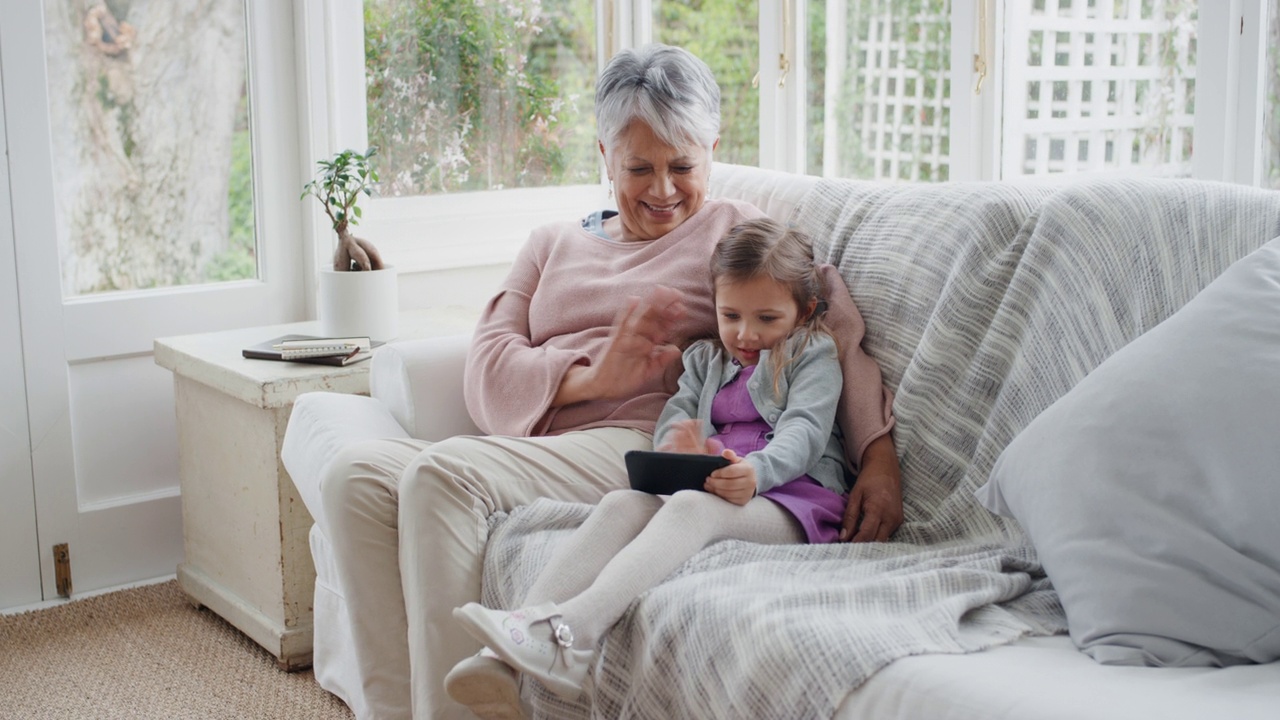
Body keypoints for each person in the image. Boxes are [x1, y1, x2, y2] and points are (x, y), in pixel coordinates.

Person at [320, 43, 902, 720]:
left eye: (683, 166)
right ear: (603, 156)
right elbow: (487, 367)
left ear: (713, 149)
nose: (663, 190)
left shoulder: (735, 232)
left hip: (639, 440)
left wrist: (878, 457)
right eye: (639, 168)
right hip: (546, 439)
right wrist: (589, 377)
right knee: (354, 477)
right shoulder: (549, 244)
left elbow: (828, 332)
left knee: (442, 475)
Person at [446, 219, 857, 715]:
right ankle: (502, 657)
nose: (746, 334)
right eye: (731, 315)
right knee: (622, 502)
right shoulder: (706, 360)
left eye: (767, 319)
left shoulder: (809, 352)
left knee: (689, 509)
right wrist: (677, 449)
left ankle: (572, 635)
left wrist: (758, 471)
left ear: (804, 309)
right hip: (717, 485)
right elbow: (676, 415)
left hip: (794, 499)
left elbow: (806, 432)